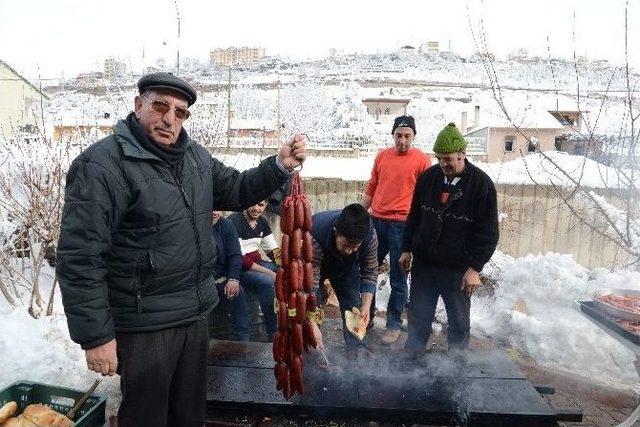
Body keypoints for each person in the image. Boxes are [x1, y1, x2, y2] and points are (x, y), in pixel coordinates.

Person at [56, 72, 305, 427]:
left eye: (180, 111)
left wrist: (279, 166)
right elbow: (80, 257)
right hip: (145, 322)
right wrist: (96, 336)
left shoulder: (195, 159)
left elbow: (237, 188)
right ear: (138, 105)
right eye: (160, 106)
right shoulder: (101, 166)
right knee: (147, 417)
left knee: (189, 414)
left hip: (193, 313)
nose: (170, 118)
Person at [401, 123, 499, 352]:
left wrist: (475, 267)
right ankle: (412, 363)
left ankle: (456, 369)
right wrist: (406, 248)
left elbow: (488, 232)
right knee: (418, 317)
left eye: (449, 159)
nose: (444, 163)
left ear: (462, 155)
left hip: (458, 267)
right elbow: (414, 216)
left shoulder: (481, 185)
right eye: (440, 158)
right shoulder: (428, 178)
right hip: (425, 263)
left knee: (458, 322)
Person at [360, 115, 431, 345]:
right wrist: (361, 213)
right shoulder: (382, 156)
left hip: (403, 226)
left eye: (407, 136)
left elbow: (425, 197)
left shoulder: (422, 161)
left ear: (414, 136)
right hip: (376, 222)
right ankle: (365, 319)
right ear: (393, 135)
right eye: (398, 135)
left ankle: (393, 325)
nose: (402, 140)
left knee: (398, 279)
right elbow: (372, 185)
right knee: (367, 270)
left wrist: (419, 228)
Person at [310, 204, 378, 347]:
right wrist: (311, 322)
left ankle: (357, 349)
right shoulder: (315, 236)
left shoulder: (369, 237)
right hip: (317, 264)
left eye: (355, 246)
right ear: (336, 232)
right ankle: (314, 345)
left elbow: (370, 271)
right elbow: (311, 286)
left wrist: (366, 306)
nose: (349, 251)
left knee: (353, 303)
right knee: (314, 299)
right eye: (346, 245)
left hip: (345, 268)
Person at [228, 200, 280, 338]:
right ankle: (272, 330)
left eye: (261, 205)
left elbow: (272, 250)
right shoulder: (234, 220)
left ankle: (284, 320)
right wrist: (269, 272)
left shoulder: (262, 222)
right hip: (238, 269)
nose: (256, 208)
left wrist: (284, 264)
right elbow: (241, 259)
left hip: (256, 263)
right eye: (253, 204)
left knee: (283, 273)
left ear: (266, 205)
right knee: (267, 281)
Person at [211, 210, 249, 341]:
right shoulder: (193, 225)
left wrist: (233, 279)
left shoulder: (226, 225)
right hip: (199, 282)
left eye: (218, 208)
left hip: (220, 280)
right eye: (211, 207)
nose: (214, 212)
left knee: (239, 293)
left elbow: (235, 255)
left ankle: (243, 341)